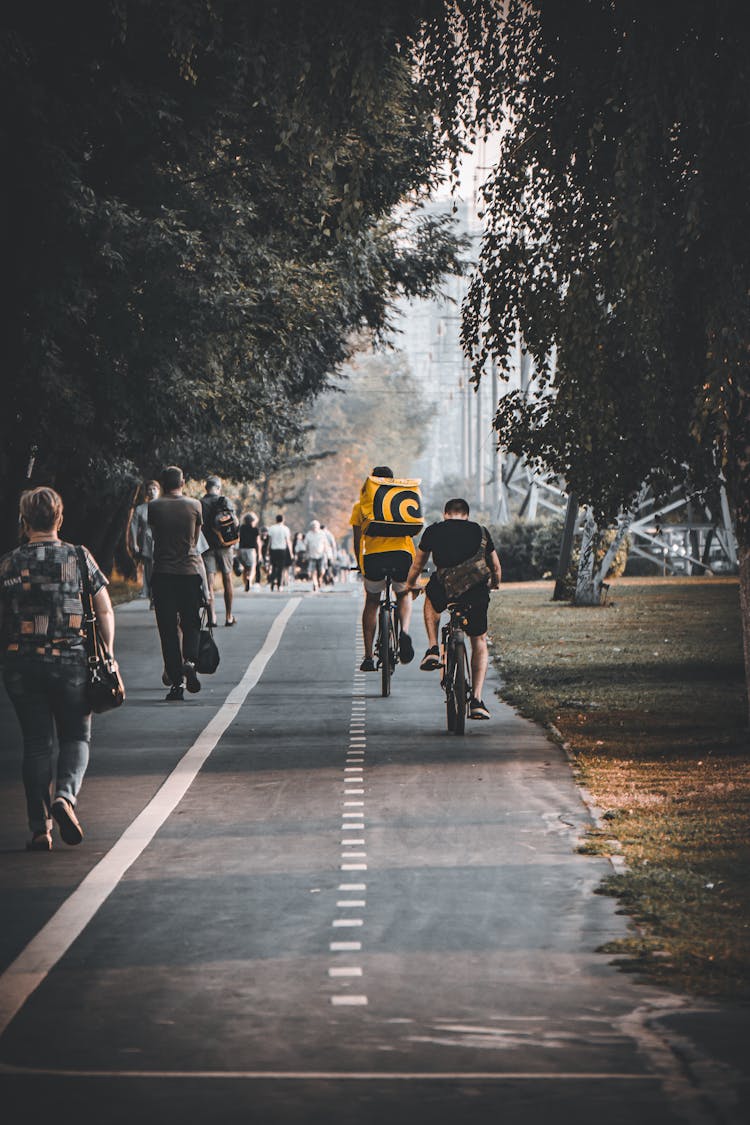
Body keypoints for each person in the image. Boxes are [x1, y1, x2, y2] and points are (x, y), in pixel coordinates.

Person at [0, 486, 116, 850]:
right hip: (71, 662)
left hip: (22, 664)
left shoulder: (8, 564)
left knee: (35, 744)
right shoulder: (79, 558)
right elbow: (104, 609)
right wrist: (108, 652)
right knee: (76, 737)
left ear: (24, 521)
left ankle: (40, 829)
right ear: (59, 518)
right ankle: (65, 797)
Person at [406, 497, 502, 720]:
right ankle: (477, 699)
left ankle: (432, 649)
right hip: (476, 592)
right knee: (479, 641)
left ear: (445, 514)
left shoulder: (433, 531)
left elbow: (418, 565)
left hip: (445, 590)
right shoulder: (481, 531)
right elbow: (495, 566)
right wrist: (494, 584)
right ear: (466, 515)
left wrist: (411, 584)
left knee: (430, 597)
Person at [148, 465, 205, 701]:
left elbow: (155, 534)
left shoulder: (154, 506)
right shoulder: (194, 505)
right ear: (183, 482)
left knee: (168, 630)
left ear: (162, 483)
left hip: (163, 573)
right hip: (189, 571)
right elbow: (195, 538)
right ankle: (190, 660)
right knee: (191, 622)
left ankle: (176, 684)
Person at [350, 465, 415, 671]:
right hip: (402, 556)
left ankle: (369, 657)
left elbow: (357, 541)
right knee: (403, 594)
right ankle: (404, 631)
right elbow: (411, 536)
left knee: (372, 601)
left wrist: (361, 566)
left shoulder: (361, 505)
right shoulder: (401, 502)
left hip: (374, 558)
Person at [200, 476, 237, 626]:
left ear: (206, 488)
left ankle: (212, 617)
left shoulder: (200, 503)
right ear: (219, 487)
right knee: (227, 578)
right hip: (225, 546)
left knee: (209, 581)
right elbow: (235, 522)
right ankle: (228, 616)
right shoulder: (224, 501)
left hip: (207, 546)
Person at [128, 480, 160, 603]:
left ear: (159, 491)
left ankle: (161, 596)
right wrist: (134, 542)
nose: (152, 492)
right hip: (147, 542)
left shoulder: (164, 506)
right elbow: (134, 526)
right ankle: (153, 597)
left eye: (154, 489)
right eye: (150, 489)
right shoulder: (141, 509)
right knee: (150, 570)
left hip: (162, 541)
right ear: (146, 492)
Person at [267, 514, 293, 591]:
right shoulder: (286, 529)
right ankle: (279, 585)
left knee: (274, 566)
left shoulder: (272, 528)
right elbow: (288, 541)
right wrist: (291, 552)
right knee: (281, 568)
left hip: (273, 549)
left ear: (276, 520)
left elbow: (270, 540)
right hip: (282, 550)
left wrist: (268, 550)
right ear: (283, 520)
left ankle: (272, 582)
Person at [304, 519, 329, 592]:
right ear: (311, 527)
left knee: (321, 570)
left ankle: (320, 578)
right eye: (313, 526)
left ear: (318, 527)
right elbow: (306, 545)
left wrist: (326, 552)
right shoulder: (308, 534)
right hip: (312, 555)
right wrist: (306, 553)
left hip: (321, 555)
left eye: (316, 526)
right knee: (313, 571)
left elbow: (325, 544)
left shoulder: (322, 534)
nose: (314, 527)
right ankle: (315, 583)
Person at [238, 511, 260, 591]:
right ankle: (249, 580)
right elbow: (258, 542)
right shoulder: (255, 529)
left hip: (242, 549)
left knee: (245, 568)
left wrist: (238, 550)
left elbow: (238, 538)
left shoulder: (241, 528)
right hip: (251, 550)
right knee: (252, 567)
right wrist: (259, 553)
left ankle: (245, 584)